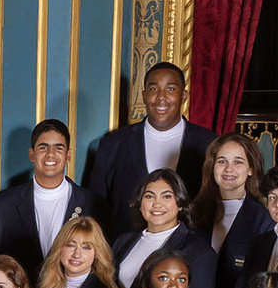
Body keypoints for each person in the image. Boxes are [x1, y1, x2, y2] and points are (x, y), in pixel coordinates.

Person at [87, 61, 215, 235]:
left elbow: (216, 205)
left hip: (188, 253)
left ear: (184, 96)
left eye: (170, 89)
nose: (161, 97)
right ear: (144, 95)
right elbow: (96, 206)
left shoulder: (208, 144)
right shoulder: (113, 143)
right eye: (154, 89)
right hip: (124, 252)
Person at [0, 118, 103, 280]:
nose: (50, 154)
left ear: (68, 155)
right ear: (31, 154)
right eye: (43, 147)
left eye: (58, 148)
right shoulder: (4, 204)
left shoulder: (93, 203)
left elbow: (101, 263)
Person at [112, 169, 217, 288]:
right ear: (140, 203)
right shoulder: (123, 241)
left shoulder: (198, 252)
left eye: (166, 197)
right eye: (149, 196)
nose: (157, 204)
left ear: (180, 203)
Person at [189, 133, 273, 288]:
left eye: (238, 162)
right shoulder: (193, 213)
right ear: (212, 167)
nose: (228, 169)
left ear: (251, 169)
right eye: (221, 161)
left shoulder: (264, 220)